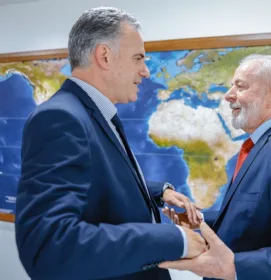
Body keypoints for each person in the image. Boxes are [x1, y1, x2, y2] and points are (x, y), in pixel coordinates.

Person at [15, 7, 206, 280]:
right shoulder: (59, 118)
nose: (145, 72)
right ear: (104, 56)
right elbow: (49, 246)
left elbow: (100, 178)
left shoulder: (93, 113)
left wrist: (159, 191)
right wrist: (175, 239)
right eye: (138, 58)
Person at [160, 54, 271, 279]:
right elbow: (254, 217)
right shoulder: (258, 146)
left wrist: (235, 266)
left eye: (240, 86)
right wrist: (199, 221)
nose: (228, 95)